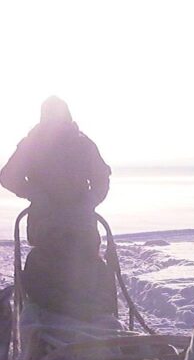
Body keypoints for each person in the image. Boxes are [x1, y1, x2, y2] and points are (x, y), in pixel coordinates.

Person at [0, 97, 117, 320]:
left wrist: (88, 202)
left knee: (90, 271)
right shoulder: (32, 144)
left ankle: (95, 323)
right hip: (47, 230)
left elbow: (102, 179)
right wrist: (35, 194)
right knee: (44, 273)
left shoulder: (83, 144)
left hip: (81, 230)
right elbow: (8, 176)